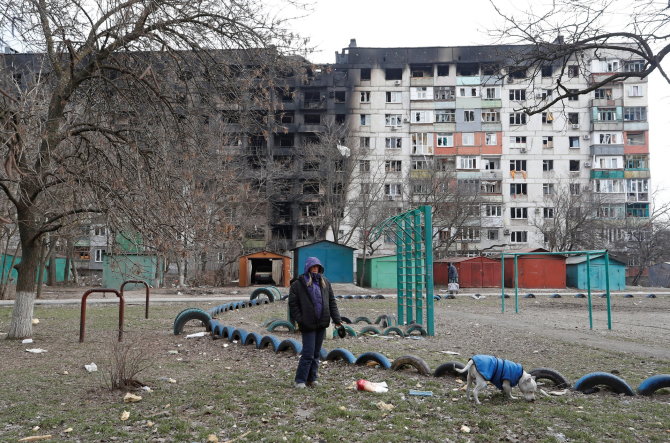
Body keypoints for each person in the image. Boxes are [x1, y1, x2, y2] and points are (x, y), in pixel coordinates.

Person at [288, 256, 342, 389]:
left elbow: (331, 302)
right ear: (308, 268)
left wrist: (337, 320)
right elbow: (293, 305)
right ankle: (300, 380)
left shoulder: (325, 282)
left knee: (316, 353)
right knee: (308, 353)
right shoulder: (298, 284)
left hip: (321, 323)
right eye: (313, 267)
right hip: (308, 325)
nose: (315, 269)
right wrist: (300, 320)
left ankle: (312, 379)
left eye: (317, 267)